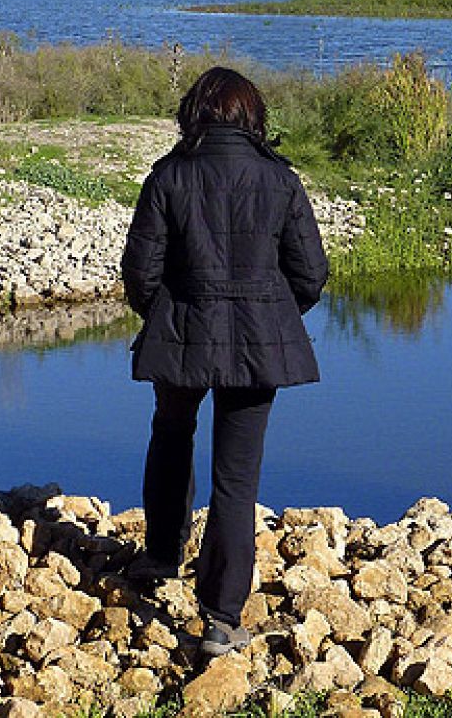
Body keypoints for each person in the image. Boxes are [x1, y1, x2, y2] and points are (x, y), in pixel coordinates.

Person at [120, 66, 329, 656]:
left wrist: (163, 314)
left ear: (195, 113)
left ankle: (162, 554)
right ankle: (220, 616)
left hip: (183, 333)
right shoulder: (280, 179)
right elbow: (311, 275)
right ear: (251, 116)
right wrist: (272, 315)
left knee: (171, 433)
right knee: (236, 478)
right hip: (258, 343)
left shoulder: (169, 175)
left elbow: (140, 274)